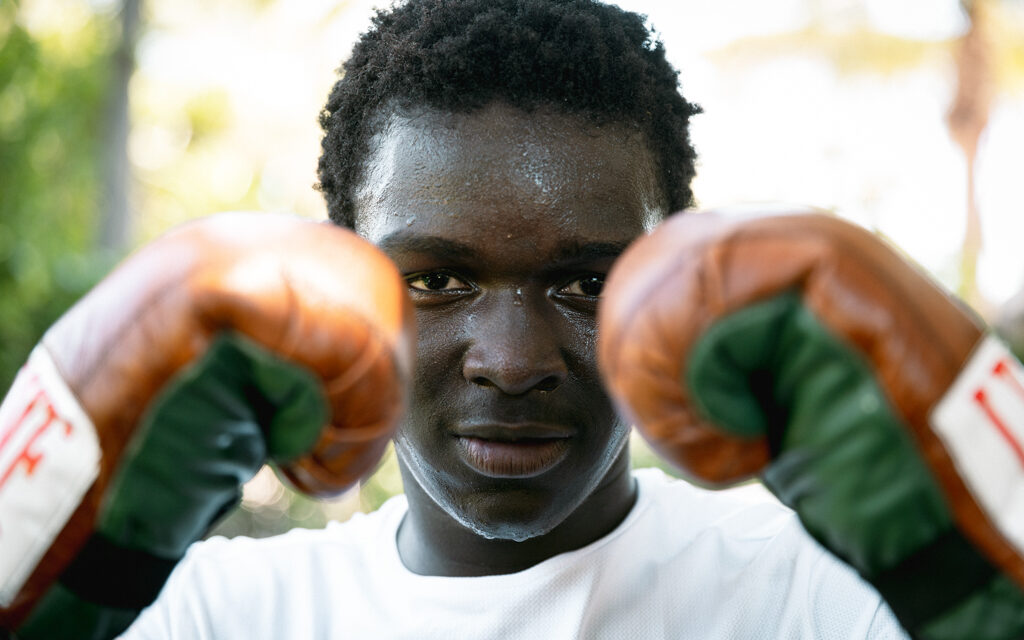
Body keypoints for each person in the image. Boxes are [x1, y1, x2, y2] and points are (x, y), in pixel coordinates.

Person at [114, 0, 912, 637]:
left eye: (587, 285)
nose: (511, 359)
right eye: (436, 278)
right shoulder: (214, 615)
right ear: (338, 286)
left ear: (675, 281)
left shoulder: (825, 601)